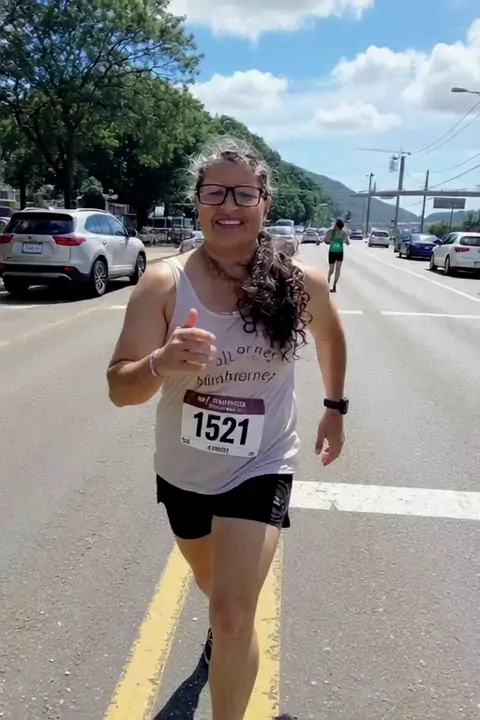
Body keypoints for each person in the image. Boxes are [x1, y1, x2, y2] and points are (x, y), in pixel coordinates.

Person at [106, 137, 348, 720]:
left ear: (265, 202)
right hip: (184, 470)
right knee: (215, 590)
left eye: (243, 193)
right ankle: (223, 630)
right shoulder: (164, 283)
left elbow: (331, 337)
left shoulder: (300, 282)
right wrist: (161, 362)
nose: (228, 205)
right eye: (214, 192)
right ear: (197, 203)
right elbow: (120, 387)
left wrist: (335, 407)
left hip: (261, 463)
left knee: (234, 616)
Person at [324, 218, 350, 293]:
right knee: (331, 270)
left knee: (338, 269)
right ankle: (328, 280)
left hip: (339, 253)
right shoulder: (330, 231)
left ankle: (334, 285)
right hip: (332, 252)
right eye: (339, 227)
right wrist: (329, 241)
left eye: (340, 228)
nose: (339, 229)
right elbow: (325, 240)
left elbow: (348, 242)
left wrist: (345, 239)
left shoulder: (344, 233)